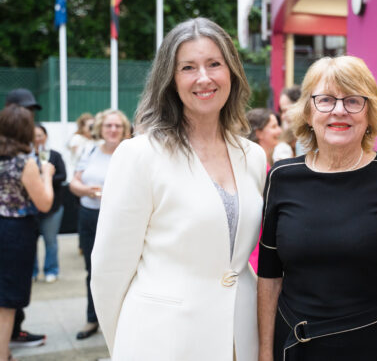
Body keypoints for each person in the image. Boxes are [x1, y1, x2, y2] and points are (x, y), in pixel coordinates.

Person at [90, 18, 267, 361]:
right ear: (170, 79)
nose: (204, 77)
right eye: (188, 67)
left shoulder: (253, 156)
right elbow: (109, 271)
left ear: (231, 72)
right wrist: (126, 345)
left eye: (214, 64)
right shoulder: (139, 155)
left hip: (240, 338)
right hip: (162, 342)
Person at [258, 56, 377, 361]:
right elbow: (269, 276)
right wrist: (264, 354)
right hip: (299, 347)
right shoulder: (282, 177)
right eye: (325, 100)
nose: (339, 110)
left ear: (370, 112)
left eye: (353, 100)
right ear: (308, 111)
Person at [69, 109, 131, 341]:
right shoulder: (89, 150)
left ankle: (121, 319)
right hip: (90, 215)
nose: (113, 130)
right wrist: (86, 190)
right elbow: (75, 182)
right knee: (92, 269)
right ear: (100, 128)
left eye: (117, 126)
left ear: (125, 130)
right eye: (108, 125)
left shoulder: (130, 153)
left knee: (121, 269)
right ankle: (92, 318)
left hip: (120, 220)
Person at [0, 105, 54, 361]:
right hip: (14, 232)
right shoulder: (25, 162)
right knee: (7, 300)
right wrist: (47, 174)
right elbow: (44, 203)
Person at [32, 125, 67, 283]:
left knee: (50, 240)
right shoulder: (26, 157)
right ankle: (32, 272)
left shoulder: (54, 155)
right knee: (31, 241)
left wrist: (46, 177)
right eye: (34, 135)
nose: (37, 138)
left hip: (53, 207)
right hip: (31, 207)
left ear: (45, 136)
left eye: (40, 135)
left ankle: (51, 270)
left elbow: (62, 176)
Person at [274, 85, 302, 160]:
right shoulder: (286, 138)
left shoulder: (311, 137)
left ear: (299, 107)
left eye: (285, 110)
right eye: (281, 112)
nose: (282, 116)